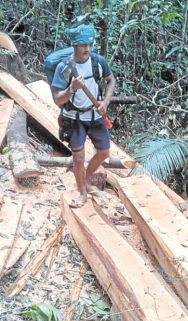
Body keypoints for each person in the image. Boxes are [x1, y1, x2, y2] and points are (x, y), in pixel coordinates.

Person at [51, 24, 116, 208]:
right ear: (74, 46)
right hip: (73, 118)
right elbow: (57, 99)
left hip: (95, 114)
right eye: (82, 45)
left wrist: (106, 102)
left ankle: (85, 178)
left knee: (104, 152)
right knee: (78, 157)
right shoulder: (64, 68)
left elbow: (111, 80)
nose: (87, 49)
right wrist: (71, 89)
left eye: (89, 44)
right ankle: (82, 192)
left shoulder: (98, 62)